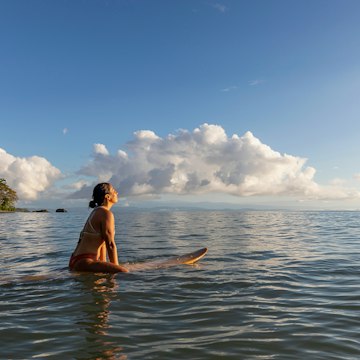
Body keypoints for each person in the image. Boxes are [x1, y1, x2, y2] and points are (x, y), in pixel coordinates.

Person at [69, 183, 129, 273]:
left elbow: (103, 243)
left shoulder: (97, 211)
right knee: (124, 272)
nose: (117, 193)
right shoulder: (106, 214)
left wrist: (104, 263)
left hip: (76, 259)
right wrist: (116, 268)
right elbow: (110, 244)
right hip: (85, 261)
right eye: (114, 191)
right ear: (107, 196)